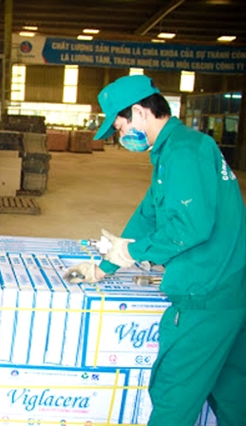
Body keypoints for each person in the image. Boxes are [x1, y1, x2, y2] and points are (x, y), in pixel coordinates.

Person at [64, 75, 246, 425]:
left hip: (204, 294)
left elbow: (189, 228)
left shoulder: (183, 152)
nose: (120, 136)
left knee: (173, 394)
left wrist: (135, 253)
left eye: (119, 127)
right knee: (232, 394)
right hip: (230, 292)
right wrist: (104, 267)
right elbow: (147, 216)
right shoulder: (174, 151)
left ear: (138, 112)